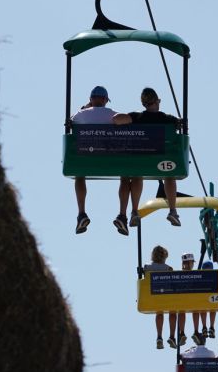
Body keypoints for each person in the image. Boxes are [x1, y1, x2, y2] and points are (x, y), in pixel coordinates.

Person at [111, 87, 182, 234]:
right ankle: (173, 211)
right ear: (158, 101)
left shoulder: (137, 117)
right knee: (170, 174)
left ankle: (133, 211)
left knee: (134, 173)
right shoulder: (167, 119)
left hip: (141, 161)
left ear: (144, 104)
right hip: (159, 162)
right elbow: (180, 125)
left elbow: (116, 120)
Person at [70, 86, 117, 234]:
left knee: (79, 176)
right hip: (109, 160)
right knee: (127, 176)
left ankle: (81, 212)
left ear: (91, 100)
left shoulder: (81, 114)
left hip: (86, 159)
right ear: (105, 100)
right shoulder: (111, 114)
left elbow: (70, 120)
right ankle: (122, 214)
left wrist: (86, 107)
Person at [144, 245, 178, 349]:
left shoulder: (146, 268)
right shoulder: (168, 268)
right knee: (173, 312)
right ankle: (172, 336)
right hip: (166, 295)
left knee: (159, 313)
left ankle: (159, 336)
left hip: (153, 296)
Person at [191, 260, 217, 344]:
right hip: (211, 297)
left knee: (203, 308)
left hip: (203, 298)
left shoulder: (200, 276)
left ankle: (205, 327)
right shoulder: (214, 276)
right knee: (212, 307)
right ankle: (211, 327)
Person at [176, 252, 195, 345]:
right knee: (196, 311)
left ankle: (182, 332)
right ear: (189, 263)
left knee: (181, 312)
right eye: (192, 262)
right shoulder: (196, 275)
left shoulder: (178, 275)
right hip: (192, 299)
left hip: (181, 299)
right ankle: (195, 331)